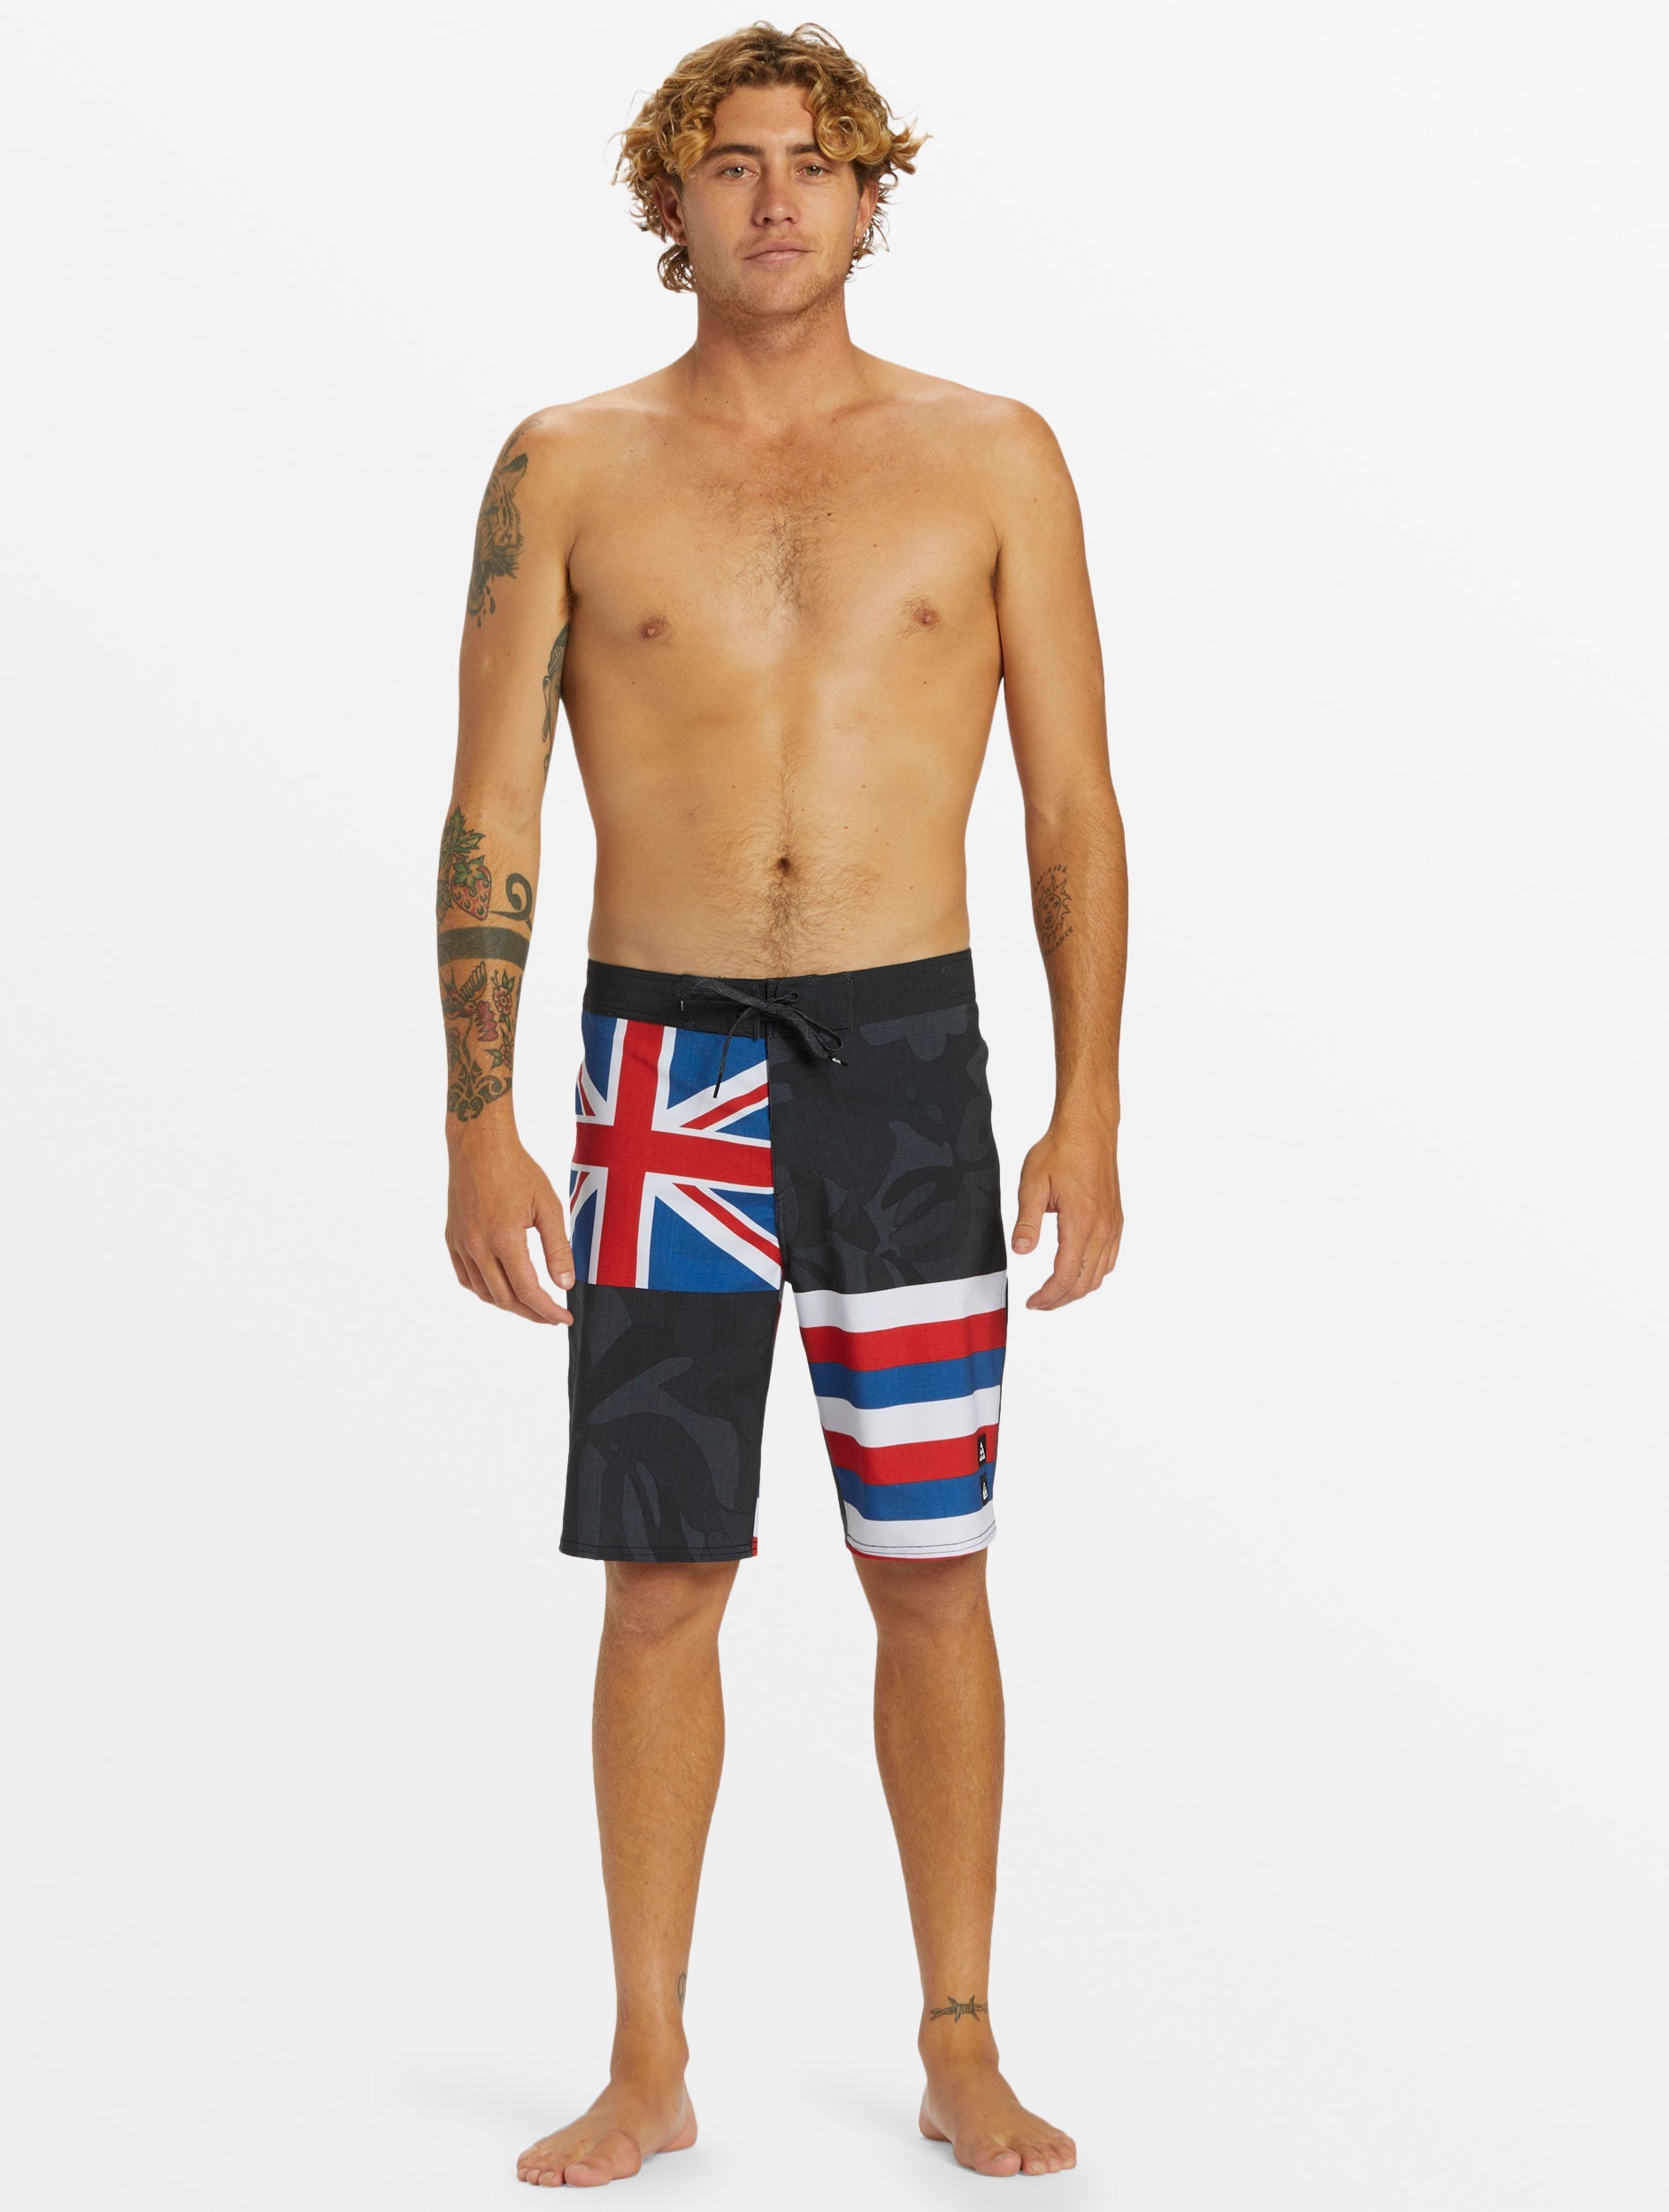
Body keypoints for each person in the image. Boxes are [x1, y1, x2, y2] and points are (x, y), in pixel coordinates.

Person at [438, 21, 1125, 2188]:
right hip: (661, 1073)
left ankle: (958, 2036)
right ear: (672, 196)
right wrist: (477, 1115)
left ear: (867, 194)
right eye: (730, 162)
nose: (771, 197)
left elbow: (1074, 810)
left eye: (811, 164)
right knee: (662, 1575)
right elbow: (490, 807)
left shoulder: (991, 454)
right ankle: (648, 2056)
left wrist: (1089, 1106)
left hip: (907, 1069)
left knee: (930, 1563)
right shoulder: (565, 462)